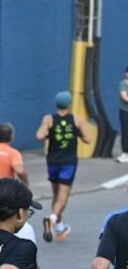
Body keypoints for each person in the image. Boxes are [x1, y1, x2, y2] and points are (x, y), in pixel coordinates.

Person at [35, 91, 89, 243]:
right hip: (68, 162)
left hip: (52, 161)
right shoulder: (77, 119)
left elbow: (39, 136)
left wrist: (47, 131)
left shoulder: (49, 119)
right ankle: (52, 219)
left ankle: (59, 227)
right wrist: (77, 132)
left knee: (55, 194)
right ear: (69, 104)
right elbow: (88, 139)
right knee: (63, 197)